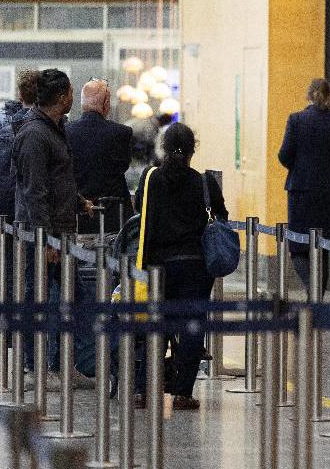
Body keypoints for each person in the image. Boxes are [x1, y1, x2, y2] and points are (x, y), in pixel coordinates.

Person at [133, 123, 228, 410]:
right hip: (195, 267)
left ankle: (143, 389)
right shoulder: (204, 183)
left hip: (158, 265)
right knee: (191, 328)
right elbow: (221, 218)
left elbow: (139, 207)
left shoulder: (150, 179)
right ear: (192, 150)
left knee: (155, 326)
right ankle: (183, 393)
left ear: (163, 148)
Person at [11, 69, 92, 385]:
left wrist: (77, 202)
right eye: (71, 92)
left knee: (73, 298)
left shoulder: (55, 129)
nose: (73, 97)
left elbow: (57, 180)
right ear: (62, 97)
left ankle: (64, 366)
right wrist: (46, 241)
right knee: (38, 299)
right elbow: (35, 191)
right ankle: (37, 368)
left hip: (59, 231)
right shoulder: (34, 135)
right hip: (42, 235)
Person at [278, 78, 330, 297]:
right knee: (324, 247)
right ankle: (317, 297)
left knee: (298, 247)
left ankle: (311, 287)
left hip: (301, 191)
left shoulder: (296, 120)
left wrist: (299, 165)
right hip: (329, 193)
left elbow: (284, 156)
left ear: (308, 95)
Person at [0, 70, 40, 308]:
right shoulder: (42, 128)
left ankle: (9, 331)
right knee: (34, 277)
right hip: (32, 215)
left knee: (8, 273)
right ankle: (30, 338)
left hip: (4, 215)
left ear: (19, 93)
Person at [66, 80, 134, 234]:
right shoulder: (122, 133)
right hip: (114, 215)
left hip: (78, 215)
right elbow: (123, 166)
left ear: (82, 104)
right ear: (106, 103)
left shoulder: (65, 132)